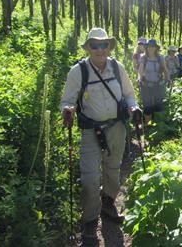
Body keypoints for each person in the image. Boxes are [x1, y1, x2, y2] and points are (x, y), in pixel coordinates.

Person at [61, 27, 138, 247]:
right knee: (89, 178)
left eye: (103, 45)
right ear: (88, 48)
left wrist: (134, 109)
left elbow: (129, 94)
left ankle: (108, 202)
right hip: (90, 131)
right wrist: (68, 110)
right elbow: (67, 99)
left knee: (113, 168)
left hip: (116, 127)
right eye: (94, 45)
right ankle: (90, 219)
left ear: (108, 47)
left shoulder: (117, 67)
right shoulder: (78, 71)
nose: (99, 49)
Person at [137, 39, 171, 123]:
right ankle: (147, 126)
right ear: (146, 47)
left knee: (159, 105)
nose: (151, 48)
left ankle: (158, 127)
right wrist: (139, 79)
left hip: (159, 85)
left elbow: (166, 70)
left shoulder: (160, 58)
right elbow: (140, 71)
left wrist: (169, 79)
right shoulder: (143, 58)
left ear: (156, 48)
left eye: (153, 46)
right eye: (149, 46)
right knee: (147, 106)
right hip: (146, 86)